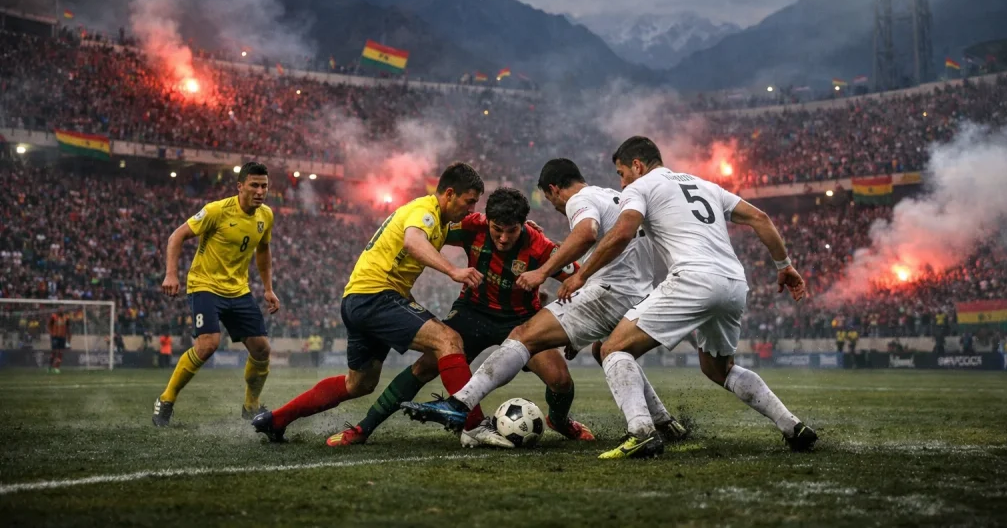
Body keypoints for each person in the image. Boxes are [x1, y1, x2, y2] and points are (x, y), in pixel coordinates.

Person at [558, 136, 815, 459]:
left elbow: (622, 233)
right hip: (734, 282)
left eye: (621, 173)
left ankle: (641, 432)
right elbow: (759, 218)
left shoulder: (640, 187)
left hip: (693, 278)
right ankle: (792, 427)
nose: (621, 182)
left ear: (637, 165)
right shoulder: (706, 185)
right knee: (718, 369)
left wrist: (581, 274)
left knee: (612, 348)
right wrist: (785, 266)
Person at [401, 158, 688, 445]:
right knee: (611, 350)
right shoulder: (614, 197)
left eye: (551, 201)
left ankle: (459, 405)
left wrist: (544, 272)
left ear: (553, 190)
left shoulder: (580, 200)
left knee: (523, 336)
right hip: (637, 294)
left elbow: (586, 233)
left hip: (607, 292)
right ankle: (660, 422)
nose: (556, 208)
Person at [329, 187, 594, 448]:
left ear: (523, 225)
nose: (502, 238)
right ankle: (364, 428)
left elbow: (580, 280)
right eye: (496, 229)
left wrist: (574, 329)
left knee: (559, 379)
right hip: (472, 312)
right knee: (425, 366)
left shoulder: (541, 246)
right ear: (487, 220)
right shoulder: (471, 227)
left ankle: (559, 421)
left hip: (521, 321)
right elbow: (430, 234)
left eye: (511, 231)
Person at [253, 163, 497, 445]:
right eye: (468, 202)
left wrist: (518, 225)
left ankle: (276, 419)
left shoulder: (438, 220)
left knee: (359, 384)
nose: (470, 209)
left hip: (358, 300)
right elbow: (413, 242)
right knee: (448, 340)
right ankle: (475, 423)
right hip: (376, 297)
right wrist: (453, 271)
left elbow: (474, 228)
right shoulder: (425, 212)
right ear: (450, 194)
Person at [152, 161, 281, 426]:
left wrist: (268, 288)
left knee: (261, 349)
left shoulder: (265, 215)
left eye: (264, 186)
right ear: (240, 186)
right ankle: (166, 400)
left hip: (238, 290)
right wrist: (171, 273)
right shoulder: (216, 211)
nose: (260, 191)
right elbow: (176, 236)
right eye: (254, 185)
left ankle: (250, 406)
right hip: (205, 285)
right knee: (208, 345)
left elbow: (263, 251)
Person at [47, 309, 71, 374]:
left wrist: (69, 339)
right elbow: (49, 325)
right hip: (55, 337)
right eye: (60, 309)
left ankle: (57, 368)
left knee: (60, 353)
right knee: (54, 352)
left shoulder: (66, 317)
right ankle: (50, 366)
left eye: (62, 309)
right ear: (58, 310)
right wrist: (51, 333)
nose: (61, 310)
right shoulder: (53, 317)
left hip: (62, 337)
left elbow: (68, 328)